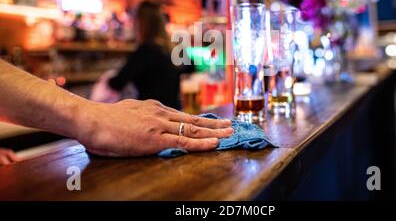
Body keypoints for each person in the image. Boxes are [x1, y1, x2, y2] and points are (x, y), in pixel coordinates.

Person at [0, 59, 233, 165]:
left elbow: (117, 82)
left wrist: (92, 116)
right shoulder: (164, 48)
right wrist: (93, 117)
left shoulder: (146, 49)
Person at [107, 0, 191, 109]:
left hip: (152, 117)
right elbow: (192, 66)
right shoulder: (172, 49)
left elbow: (117, 83)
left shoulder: (145, 51)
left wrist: (106, 78)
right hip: (175, 114)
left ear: (140, 24)